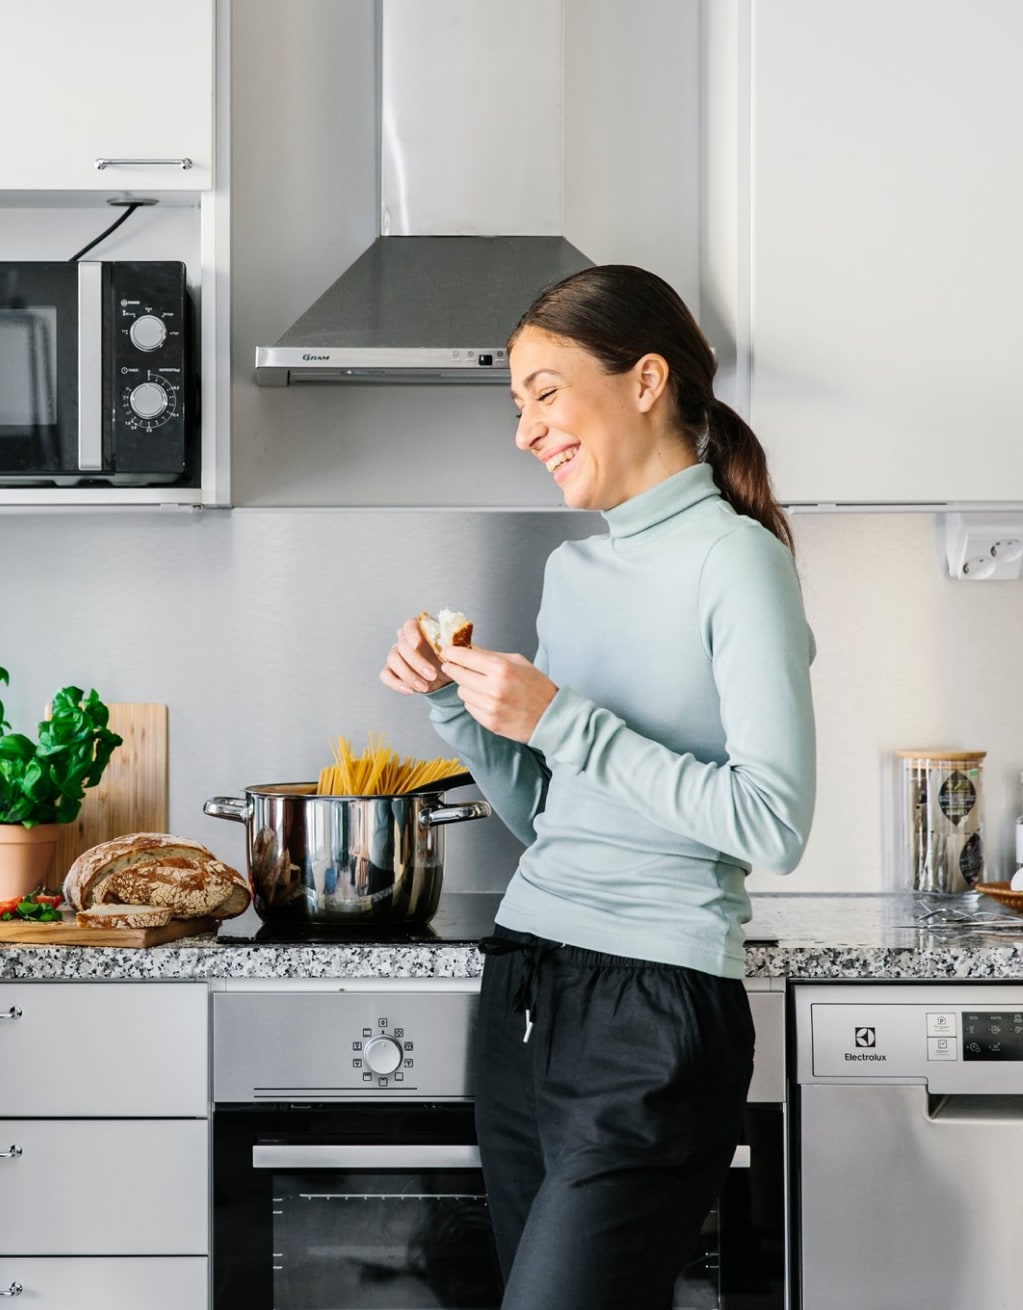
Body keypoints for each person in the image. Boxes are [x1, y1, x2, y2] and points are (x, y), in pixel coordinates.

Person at [380, 265, 816, 1309]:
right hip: (526, 986)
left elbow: (773, 817)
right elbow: (547, 818)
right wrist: (453, 704)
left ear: (643, 380)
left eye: (541, 390)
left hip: (655, 1011)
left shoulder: (735, 560)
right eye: (514, 403)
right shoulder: (570, 574)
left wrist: (561, 718)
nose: (524, 428)